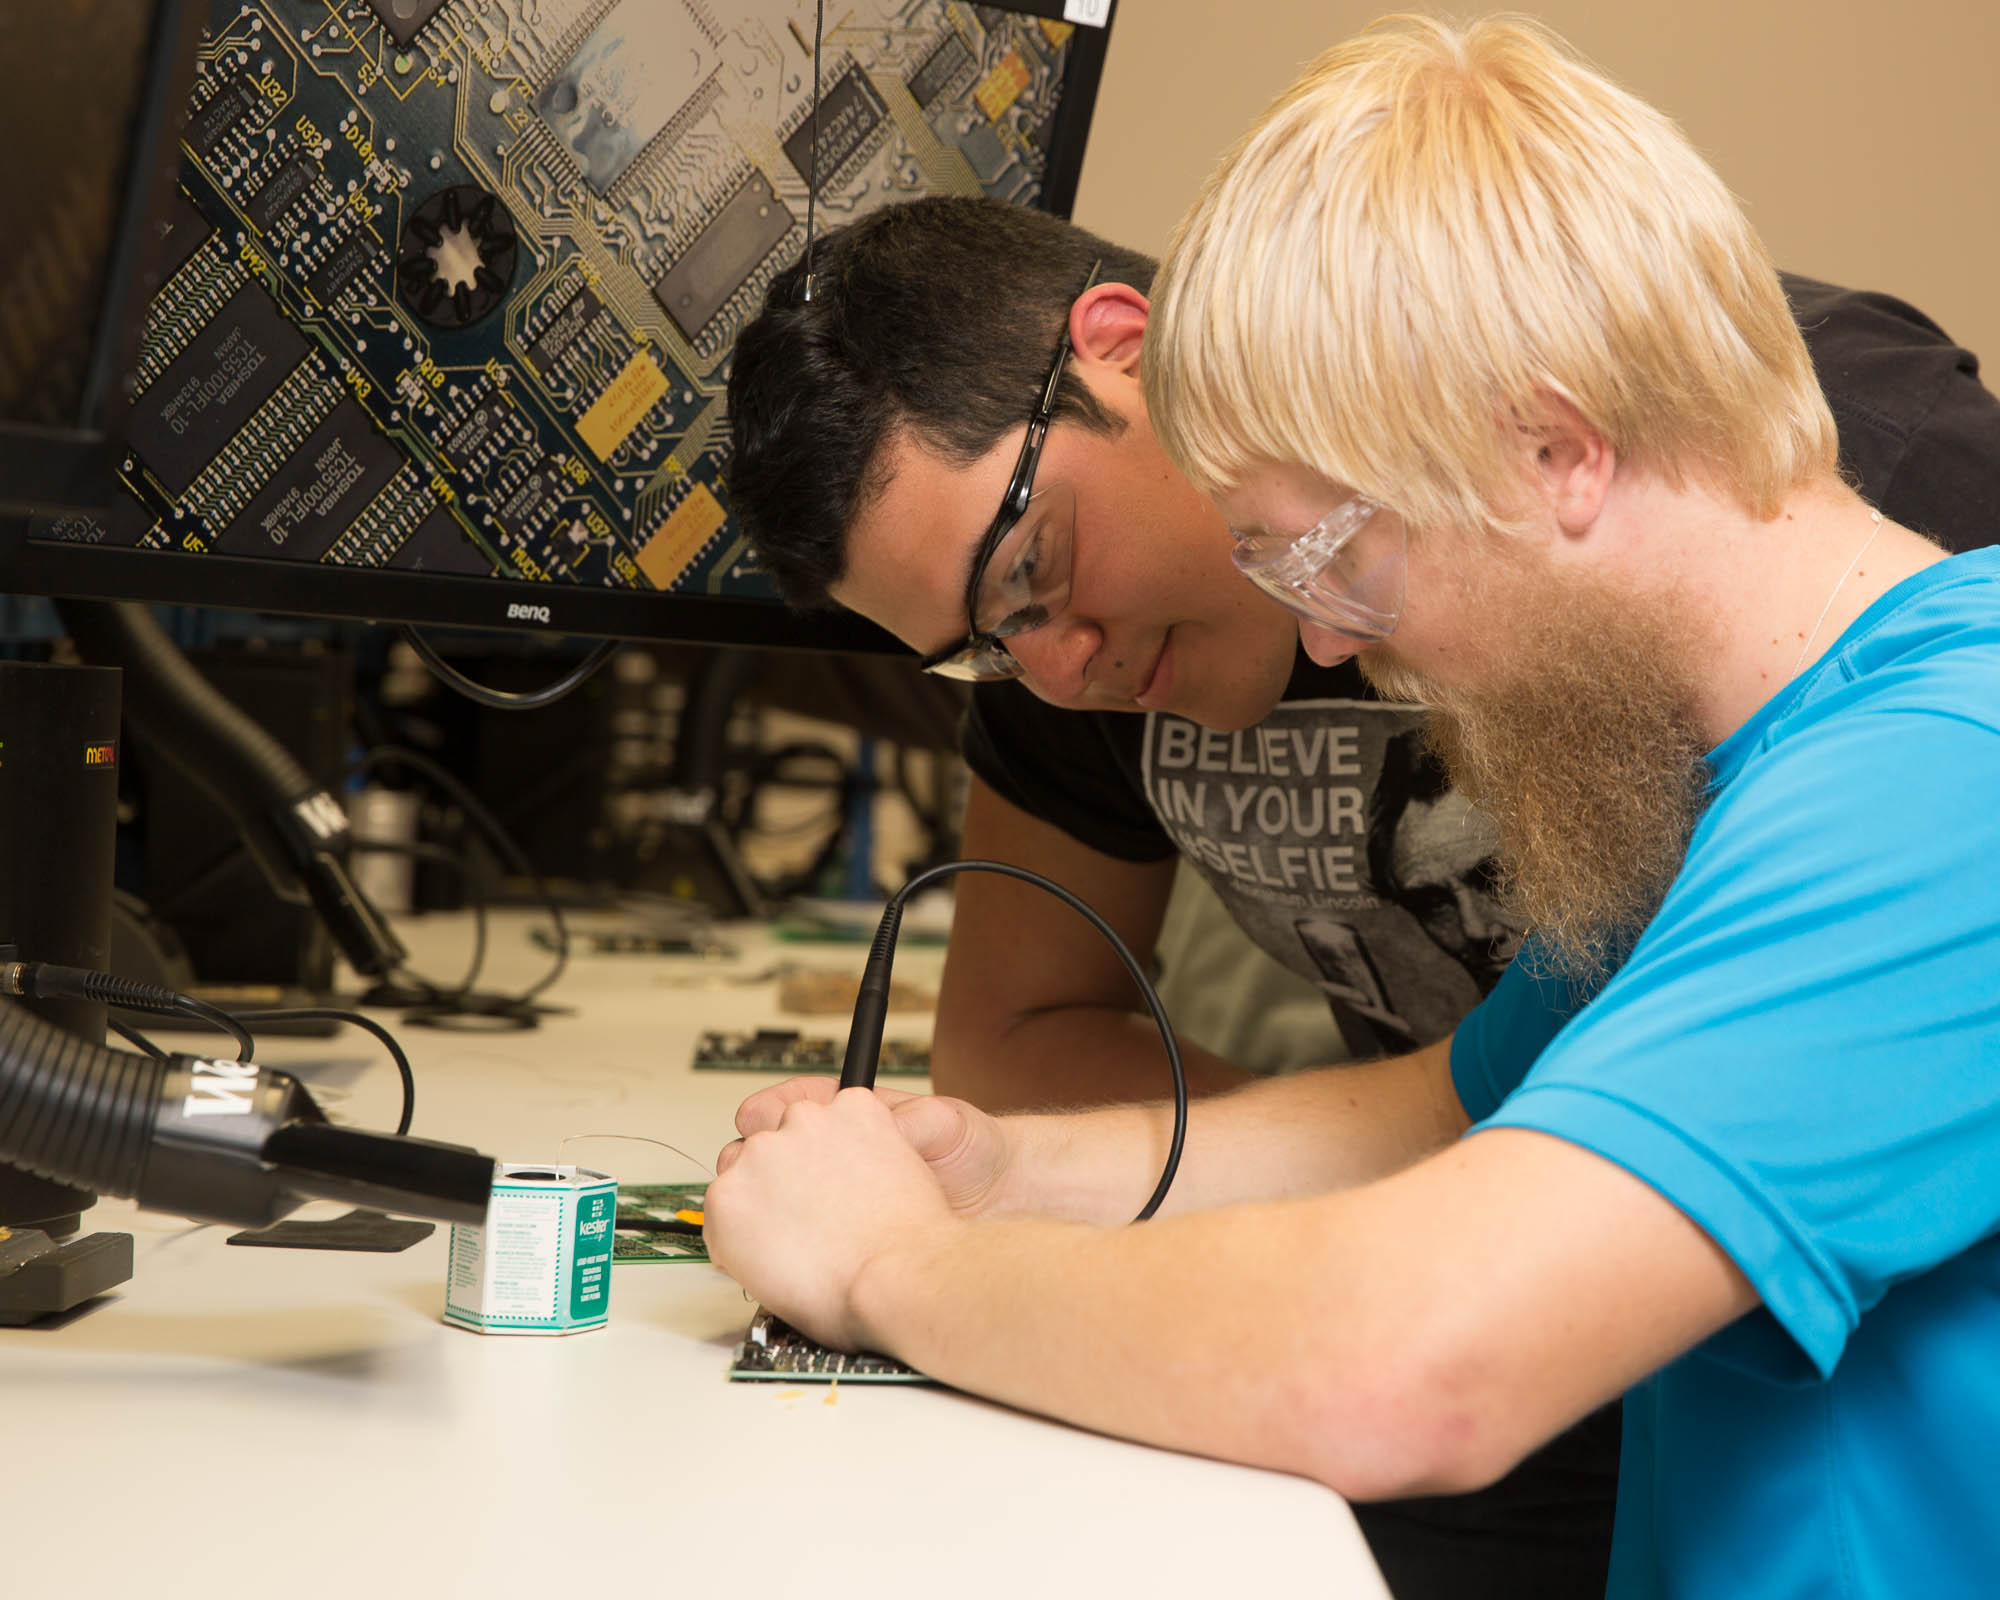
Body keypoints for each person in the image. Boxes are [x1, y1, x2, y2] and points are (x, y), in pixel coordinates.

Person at [707, 16, 2000, 1597]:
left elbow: (1412, 1370)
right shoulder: (1726, 780)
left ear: (1553, 446)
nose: (1322, 642)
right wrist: (1003, 1173)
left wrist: (891, 1266)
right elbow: (1444, 1109)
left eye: (1328, 559)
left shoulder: (1950, 778)